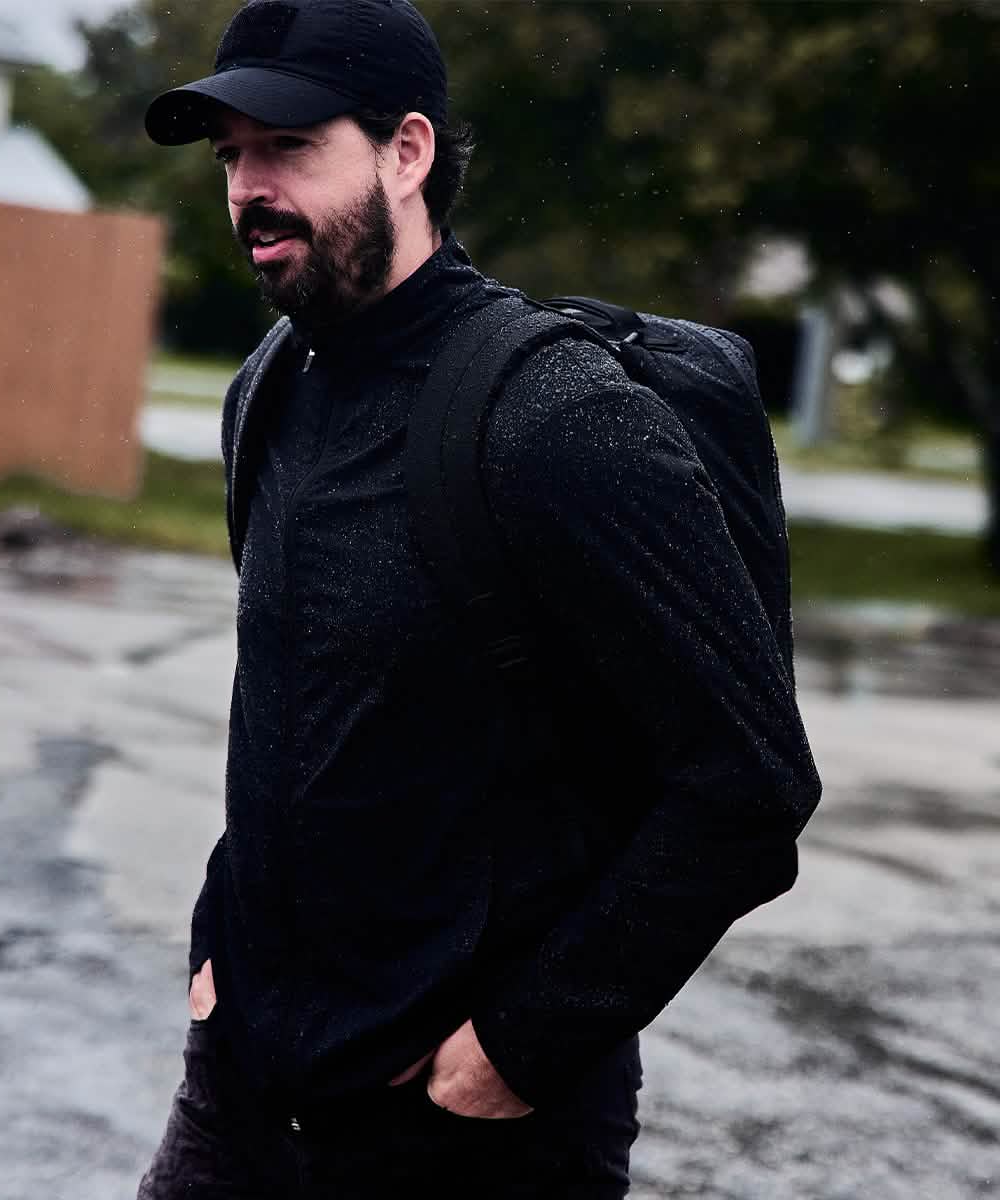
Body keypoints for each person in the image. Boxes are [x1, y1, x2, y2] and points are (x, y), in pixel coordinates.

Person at [137, 2, 822, 1197]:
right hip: (242, 1086)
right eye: (230, 156)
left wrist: (516, 1049)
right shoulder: (272, 387)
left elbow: (749, 785)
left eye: (289, 147)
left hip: (472, 1136)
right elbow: (304, 710)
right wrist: (218, 949)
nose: (248, 187)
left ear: (407, 154)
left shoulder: (553, 419)